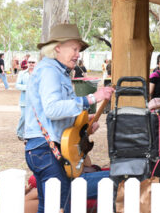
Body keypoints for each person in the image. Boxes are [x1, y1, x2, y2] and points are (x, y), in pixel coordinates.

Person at [24, 23, 115, 213]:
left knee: (48, 207)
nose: (77, 54)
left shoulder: (57, 70)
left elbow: (54, 114)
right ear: (58, 47)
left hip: (43, 148)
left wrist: (83, 123)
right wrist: (91, 98)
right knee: (59, 207)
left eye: (78, 50)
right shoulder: (50, 70)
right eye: (74, 48)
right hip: (46, 148)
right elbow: (52, 109)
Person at [15, 59, 36, 141]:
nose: (31, 64)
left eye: (33, 62)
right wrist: (28, 87)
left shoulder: (40, 73)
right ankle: (20, 133)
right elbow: (17, 85)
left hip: (36, 100)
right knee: (24, 117)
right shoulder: (22, 73)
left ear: (36, 63)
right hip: (24, 100)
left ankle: (31, 134)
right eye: (30, 62)